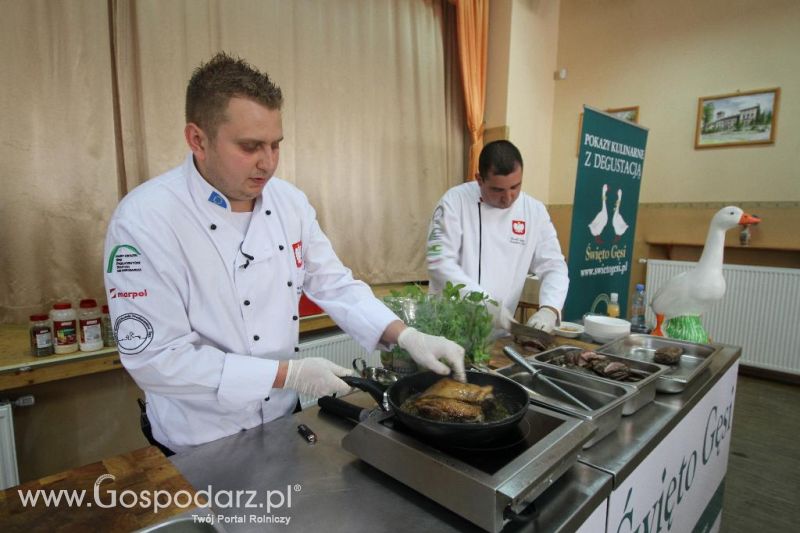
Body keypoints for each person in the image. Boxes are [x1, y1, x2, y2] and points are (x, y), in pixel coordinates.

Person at [104, 52, 465, 453]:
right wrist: (288, 374)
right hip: (198, 439)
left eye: (276, 145)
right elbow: (155, 361)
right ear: (197, 139)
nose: (268, 163)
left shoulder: (289, 202)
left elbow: (335, 285)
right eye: (250, 146)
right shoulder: (144, 220)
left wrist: (406, 335)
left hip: (281, 421)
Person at [426, 140, 569, 334]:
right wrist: (485, 304)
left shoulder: (534, 211)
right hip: (448, 329)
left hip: (499, 334)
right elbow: (439, 263)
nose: (508, 197)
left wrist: (550, 309)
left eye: (515, 187)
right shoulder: (454, 202)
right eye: (498, 190)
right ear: (479, 179)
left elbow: (554, 266)